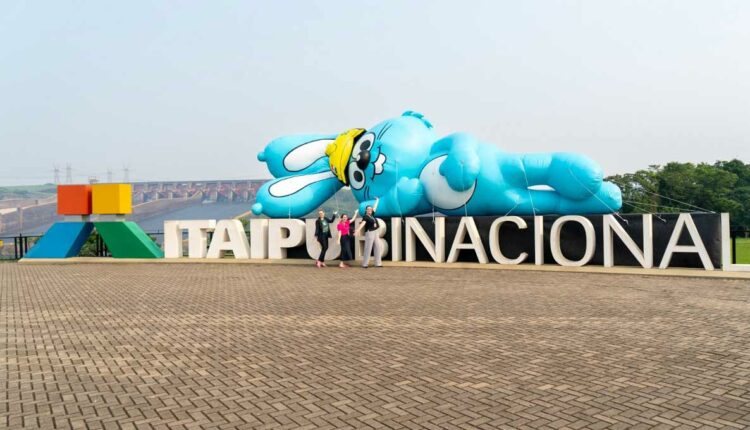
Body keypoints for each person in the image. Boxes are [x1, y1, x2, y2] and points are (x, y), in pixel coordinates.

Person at [354, 198, 381, 268]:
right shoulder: (365, 217)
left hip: (376, 232)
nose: (370, 210)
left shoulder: (372, 215)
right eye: (368, 209)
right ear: (366, 210)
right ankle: (365, 264)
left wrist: (377, 200)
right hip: (370, 232)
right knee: (368, 248)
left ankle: (378, 263)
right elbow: (363, 224)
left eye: (370, 209)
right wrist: (357, 230)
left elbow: (375, 207)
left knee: (378, 247)